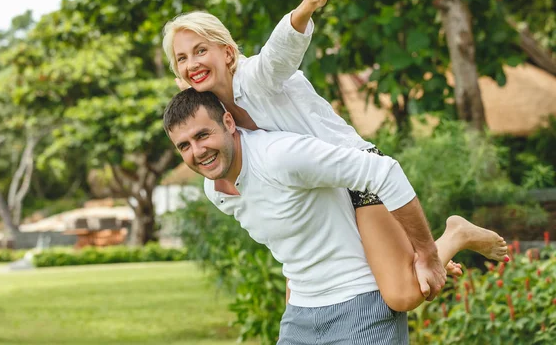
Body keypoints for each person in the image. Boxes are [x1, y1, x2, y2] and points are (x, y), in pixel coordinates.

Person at [161, 0, 509, 305]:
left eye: (200, 50)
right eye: (182, 58)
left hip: (355, 172)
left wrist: (305, 8)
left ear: (227, 53)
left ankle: (456, 235)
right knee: (374, 276)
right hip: (319, 192)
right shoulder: (212, 115)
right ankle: (421, 254)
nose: (192, 63)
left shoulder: (255, 78)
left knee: (402, 294)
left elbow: (279, 55)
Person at [163, 88, 508, 344]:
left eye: (202, 135)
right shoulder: (216, 190)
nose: (197, 152)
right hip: (301, 315)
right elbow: (290, 241)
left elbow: (384, 173)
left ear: (228, 123)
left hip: (361, 303)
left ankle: (453, 236)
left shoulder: (281, 156)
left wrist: (428, 254)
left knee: (404, 293)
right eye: (184, 146)